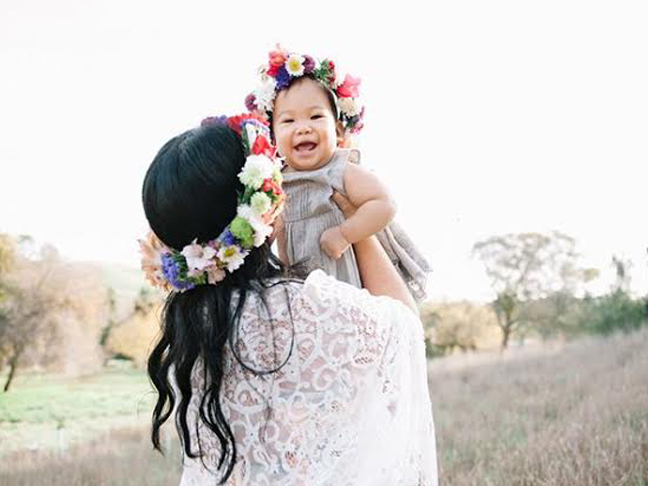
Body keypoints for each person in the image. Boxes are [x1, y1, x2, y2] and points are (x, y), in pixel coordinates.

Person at [139, 114, 438, 485]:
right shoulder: (309, 307)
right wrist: (355, 227)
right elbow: (404, 330)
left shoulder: (188, 328)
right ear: (267, 206)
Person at [245, 46, 431, 302]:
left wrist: (346, 233)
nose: (303, 128)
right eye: (288, 121)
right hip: (301, 287)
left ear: (338, 130)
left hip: (347, 279)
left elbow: (384, 204)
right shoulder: (278, 182)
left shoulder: (338, 170)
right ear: (273, 136)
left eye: (315, 116)